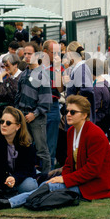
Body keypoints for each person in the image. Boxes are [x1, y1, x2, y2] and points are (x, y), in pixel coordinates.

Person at [0, 95, 110, 210]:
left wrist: (64, 179)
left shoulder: (95, 134)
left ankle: (7, 203)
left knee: (50, 187)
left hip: (94, 185)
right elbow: (69, 163)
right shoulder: (71, 131)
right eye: (66, 111)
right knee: (47, 184)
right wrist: (59, 178)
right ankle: (9, 202)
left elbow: (92, 169)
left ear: (84, 115)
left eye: (73, 112)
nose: (68, 115)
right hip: (80, 180)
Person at [0, 106, 38, 199]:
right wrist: (6, 180)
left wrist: (15, 178)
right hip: (0, 179)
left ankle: (15, 193)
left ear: (18, 126)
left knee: (30, 186)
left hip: (19, 178)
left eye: (8, 123)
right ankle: (14, 193)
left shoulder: (26, 142)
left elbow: (27, 168)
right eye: (2, 121)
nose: (3, 125)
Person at [15, 42, 52, 173]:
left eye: (29, 53)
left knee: (41, 149)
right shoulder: (24, 73)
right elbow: (18, 96)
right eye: (25, 54)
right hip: (22, 116)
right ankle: (29, 174)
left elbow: (47, 101)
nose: (26, 56)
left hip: (36, 118)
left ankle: (47, 177)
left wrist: (34, 114)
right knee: (25, 148)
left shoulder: (43, 74)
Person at [42, 40, 64, 168]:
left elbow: (60, 89)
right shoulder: (35, 65)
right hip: (36, 107)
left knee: (51, 144)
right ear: (45, 52)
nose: (57, 55)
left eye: (59, 53)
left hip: (52, 106)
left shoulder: (59, 67)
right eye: (54, 52)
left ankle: (48, 174)